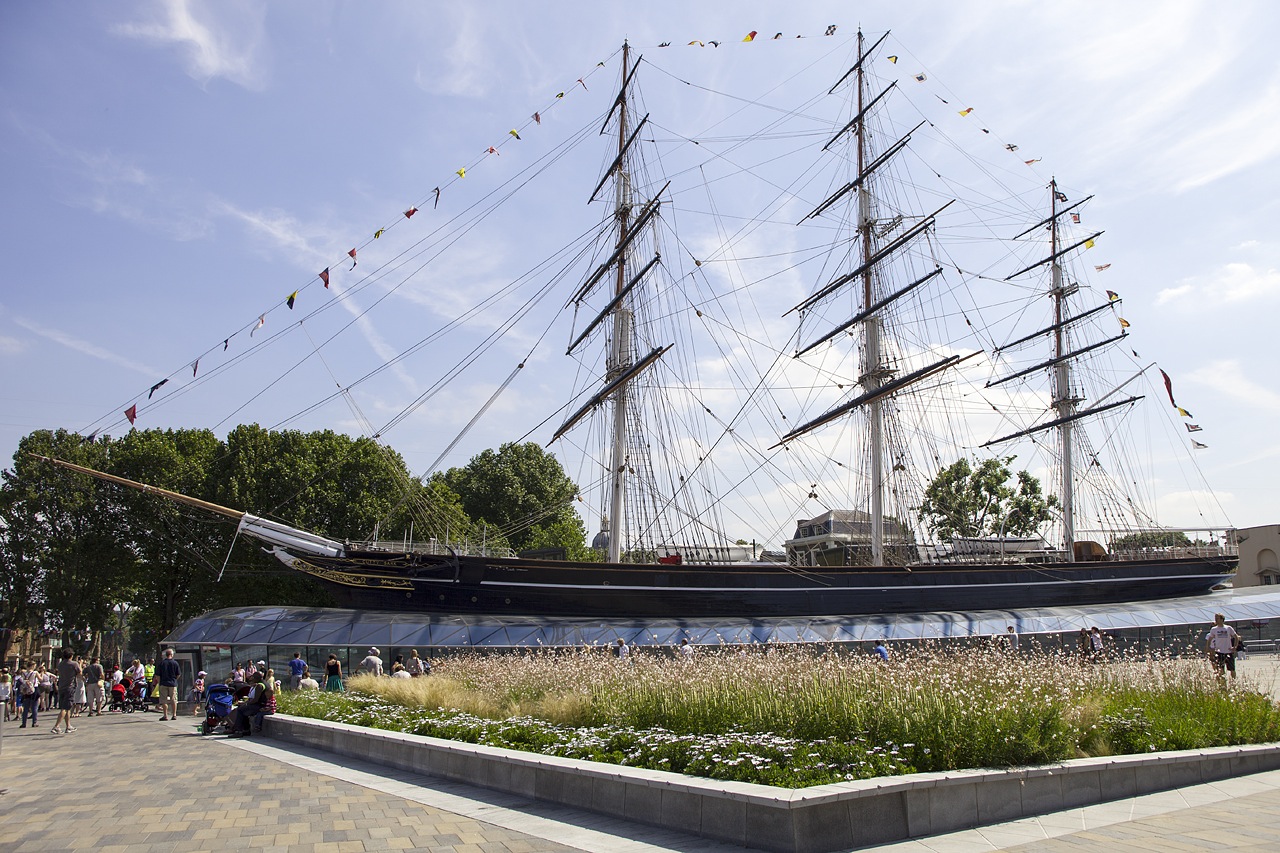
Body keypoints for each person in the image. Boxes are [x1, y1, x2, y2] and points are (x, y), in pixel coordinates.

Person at [52, 648, 81, 734]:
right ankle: (56, 726)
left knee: (67, 707)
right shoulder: (74, 664)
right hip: (70, 687)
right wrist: (80, 664)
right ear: (71, 656)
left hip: (62, 687)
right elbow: (80, 673)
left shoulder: (60, 664)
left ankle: (68, 726)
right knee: (65, 708)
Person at [1205, 613, 1240, 680]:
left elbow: (1236, 637)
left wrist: (1235, 647)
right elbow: (1210, 639)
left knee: (1232, 669)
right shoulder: (1214, 629)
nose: (1216, 620)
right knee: (1221, 670)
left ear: (1222, 619)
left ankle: (1233, 683)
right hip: (1219, 652)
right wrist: (1208, 647)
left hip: (1228, 651)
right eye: (1215, 618)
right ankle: (1223, 685)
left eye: (1217, 618)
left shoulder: (1228, 628)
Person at [156, 648, 181, 720]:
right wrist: (174, 679)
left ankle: (165, 715)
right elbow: (178, 674)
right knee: (173, 699)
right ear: (172, 655)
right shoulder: (175, 663)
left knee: (163, 700)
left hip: (163, 683)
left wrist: (160, 682)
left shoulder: (162, 663)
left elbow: (157, 675)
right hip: (172, 683)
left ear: (166, 655)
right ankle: (174, 715)